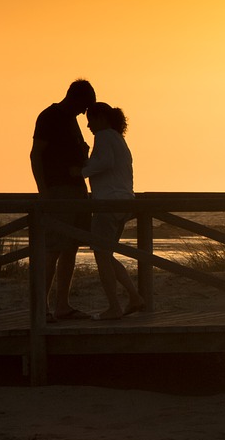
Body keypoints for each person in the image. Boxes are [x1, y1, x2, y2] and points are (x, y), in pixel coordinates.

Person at [30, 79, 95, 320]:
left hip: (78, 190)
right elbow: (36, 155)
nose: (84, 111)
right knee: (54, 248)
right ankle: (41, 307)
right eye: (84, 105)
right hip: (58, 190)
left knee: (71, 248)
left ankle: (62, 305)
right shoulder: (49, 116)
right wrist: (44, 192)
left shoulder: (72, 120)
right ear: (75, 98)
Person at [82, 101, 144, 320]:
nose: (88, 126)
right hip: (124, 202)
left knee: (101, 254)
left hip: (108, 204)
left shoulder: (105, 135)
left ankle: (114, 307)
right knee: (106, 254)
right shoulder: (118, 138)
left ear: (101, 119)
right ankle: (134, 297)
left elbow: (106, 163)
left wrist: (80, 172)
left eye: (91, 120)